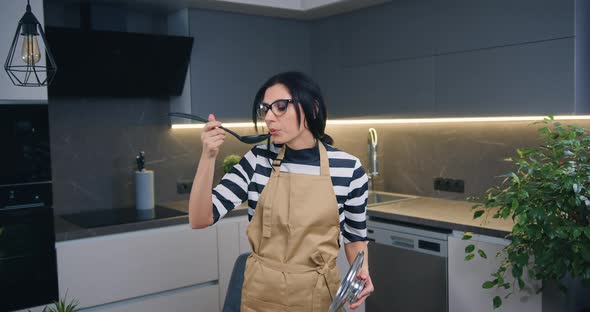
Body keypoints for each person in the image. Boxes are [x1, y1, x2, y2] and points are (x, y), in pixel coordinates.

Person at [188, 71, 374, 311]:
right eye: (266, 109)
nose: (269, 118)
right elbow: (200, 218)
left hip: (319, 298)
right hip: (260, 297)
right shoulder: (258, 160)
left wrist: (362, 271)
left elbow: (355, 237)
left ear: (312, 108)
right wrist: (208, 156)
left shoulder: (348, 169)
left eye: (281, 107)